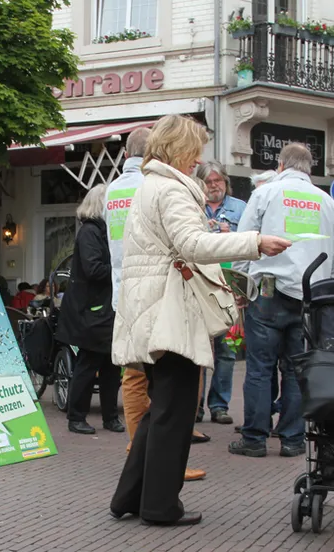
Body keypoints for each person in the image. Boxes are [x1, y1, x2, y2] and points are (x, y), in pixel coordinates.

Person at [108, 114, 291, 527]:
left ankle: (131, 497)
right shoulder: (171, 190)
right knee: (175, 410)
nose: (198, 160)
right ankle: (159, 506)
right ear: (180, 149)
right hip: (169, 311)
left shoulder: (149, 186)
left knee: (162, 408)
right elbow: (191, 244)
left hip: (149, 308)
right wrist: (255, 242)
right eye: (195, 150)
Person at [104, 127, 208, 482]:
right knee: (173, 386)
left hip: (126, 288)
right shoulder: (162, 186)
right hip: (160, 293)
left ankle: (139, 455)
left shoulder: (113, 191)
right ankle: (159, 459)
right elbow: (187, 243)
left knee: (135, 377)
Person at [230, 142, 334, 459]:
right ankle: (292, 438)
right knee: (297, 369)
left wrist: (241, 287)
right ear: (309, 169)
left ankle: (254, 438)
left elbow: (244, 242)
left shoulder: (265, 194)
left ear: (281, 165)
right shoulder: (327, 203)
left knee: (259, 367)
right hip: (310, 293)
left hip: (268, 288)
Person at [55, 184, 124, 435]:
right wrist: (120, 269)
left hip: (103, 309)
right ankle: (77, 417)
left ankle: (110, 416)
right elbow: (94, 269)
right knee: (89, 363)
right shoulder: (90, 232)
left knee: (111, 365)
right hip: (92, 310)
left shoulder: (102, 232)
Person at [194, 161, 246, 425]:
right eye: (209, 182)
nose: (215, 186)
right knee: (198, 349)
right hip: (200, 285)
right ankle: (195, 407)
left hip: (228, 285)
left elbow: (249, 242)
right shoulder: (192, 206)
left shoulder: (240, 208)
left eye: (219, 181)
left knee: (226, 350)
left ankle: (219, 405)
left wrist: (229, 235)